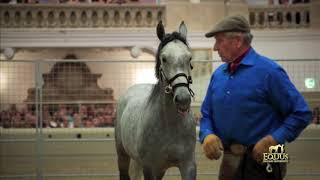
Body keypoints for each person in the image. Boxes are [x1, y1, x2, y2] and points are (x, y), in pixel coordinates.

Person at [199, 14, 312, 180]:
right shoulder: (218, 75)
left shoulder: (270, 72)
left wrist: (274, 139)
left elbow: (302, 113)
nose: (215, 48)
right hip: (231, 156)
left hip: (271, 155)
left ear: (237, 41)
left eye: (219, 41)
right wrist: (207, 134)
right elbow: (207, 114)